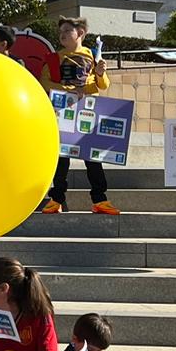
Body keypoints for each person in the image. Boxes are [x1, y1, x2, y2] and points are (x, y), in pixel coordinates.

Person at [40, 17, 119, 215]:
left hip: (88, 112)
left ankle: (100, 200)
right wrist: (68, 90)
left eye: (68, 31)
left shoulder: (93, 56)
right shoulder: (54, 58)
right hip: (64, 112)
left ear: (81, 33)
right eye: (61, 32)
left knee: (93, 159)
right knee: (62, 159)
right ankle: (56, 199)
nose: (63, 35)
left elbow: (102, 85)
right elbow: (45, 81)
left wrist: (100, 74)